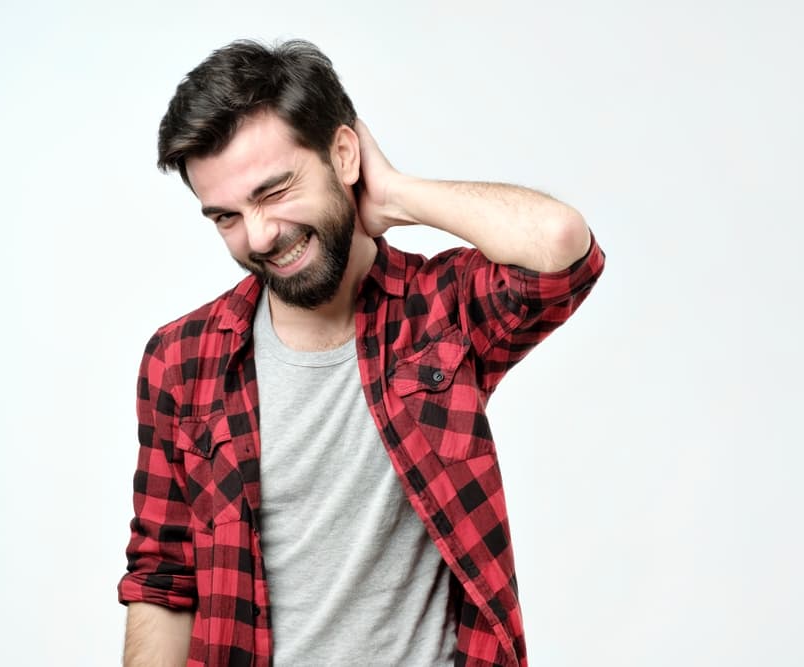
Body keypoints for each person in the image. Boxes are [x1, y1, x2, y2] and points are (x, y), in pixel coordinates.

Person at [118, 39, 605, 667]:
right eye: (226, 217)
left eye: (274, 191)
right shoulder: (182, 360)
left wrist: (396, 195)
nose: (259, 237)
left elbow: (562, 247)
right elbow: (163, 579)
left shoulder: (439, 312)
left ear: (343, 154)